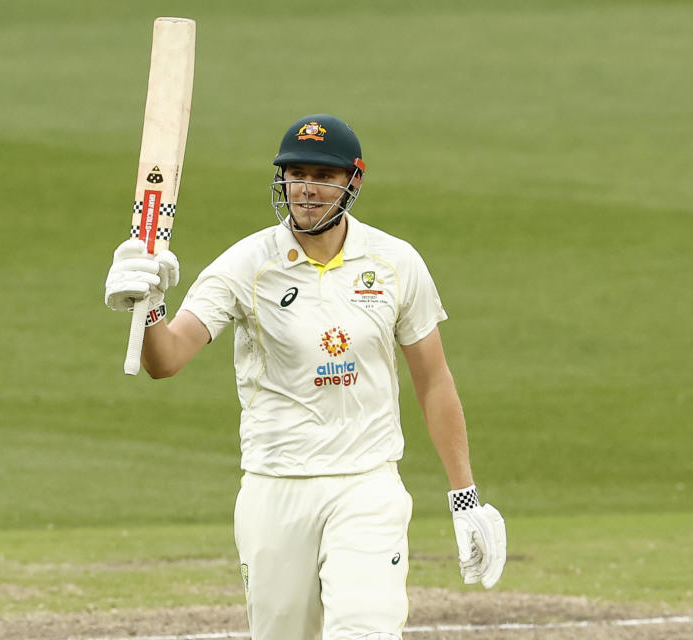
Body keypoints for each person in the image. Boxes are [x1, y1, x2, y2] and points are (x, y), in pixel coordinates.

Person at [104, 114, 506, 640]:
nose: (307, 188)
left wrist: (464, 496)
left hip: (367, 483)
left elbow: (433, 380)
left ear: (353, 182)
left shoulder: (394, 262)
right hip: (276, 486)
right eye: (297, 173)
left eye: (323, 174)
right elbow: (166, 359)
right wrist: (150, 305)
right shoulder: (246, 265)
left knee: (366, 631)